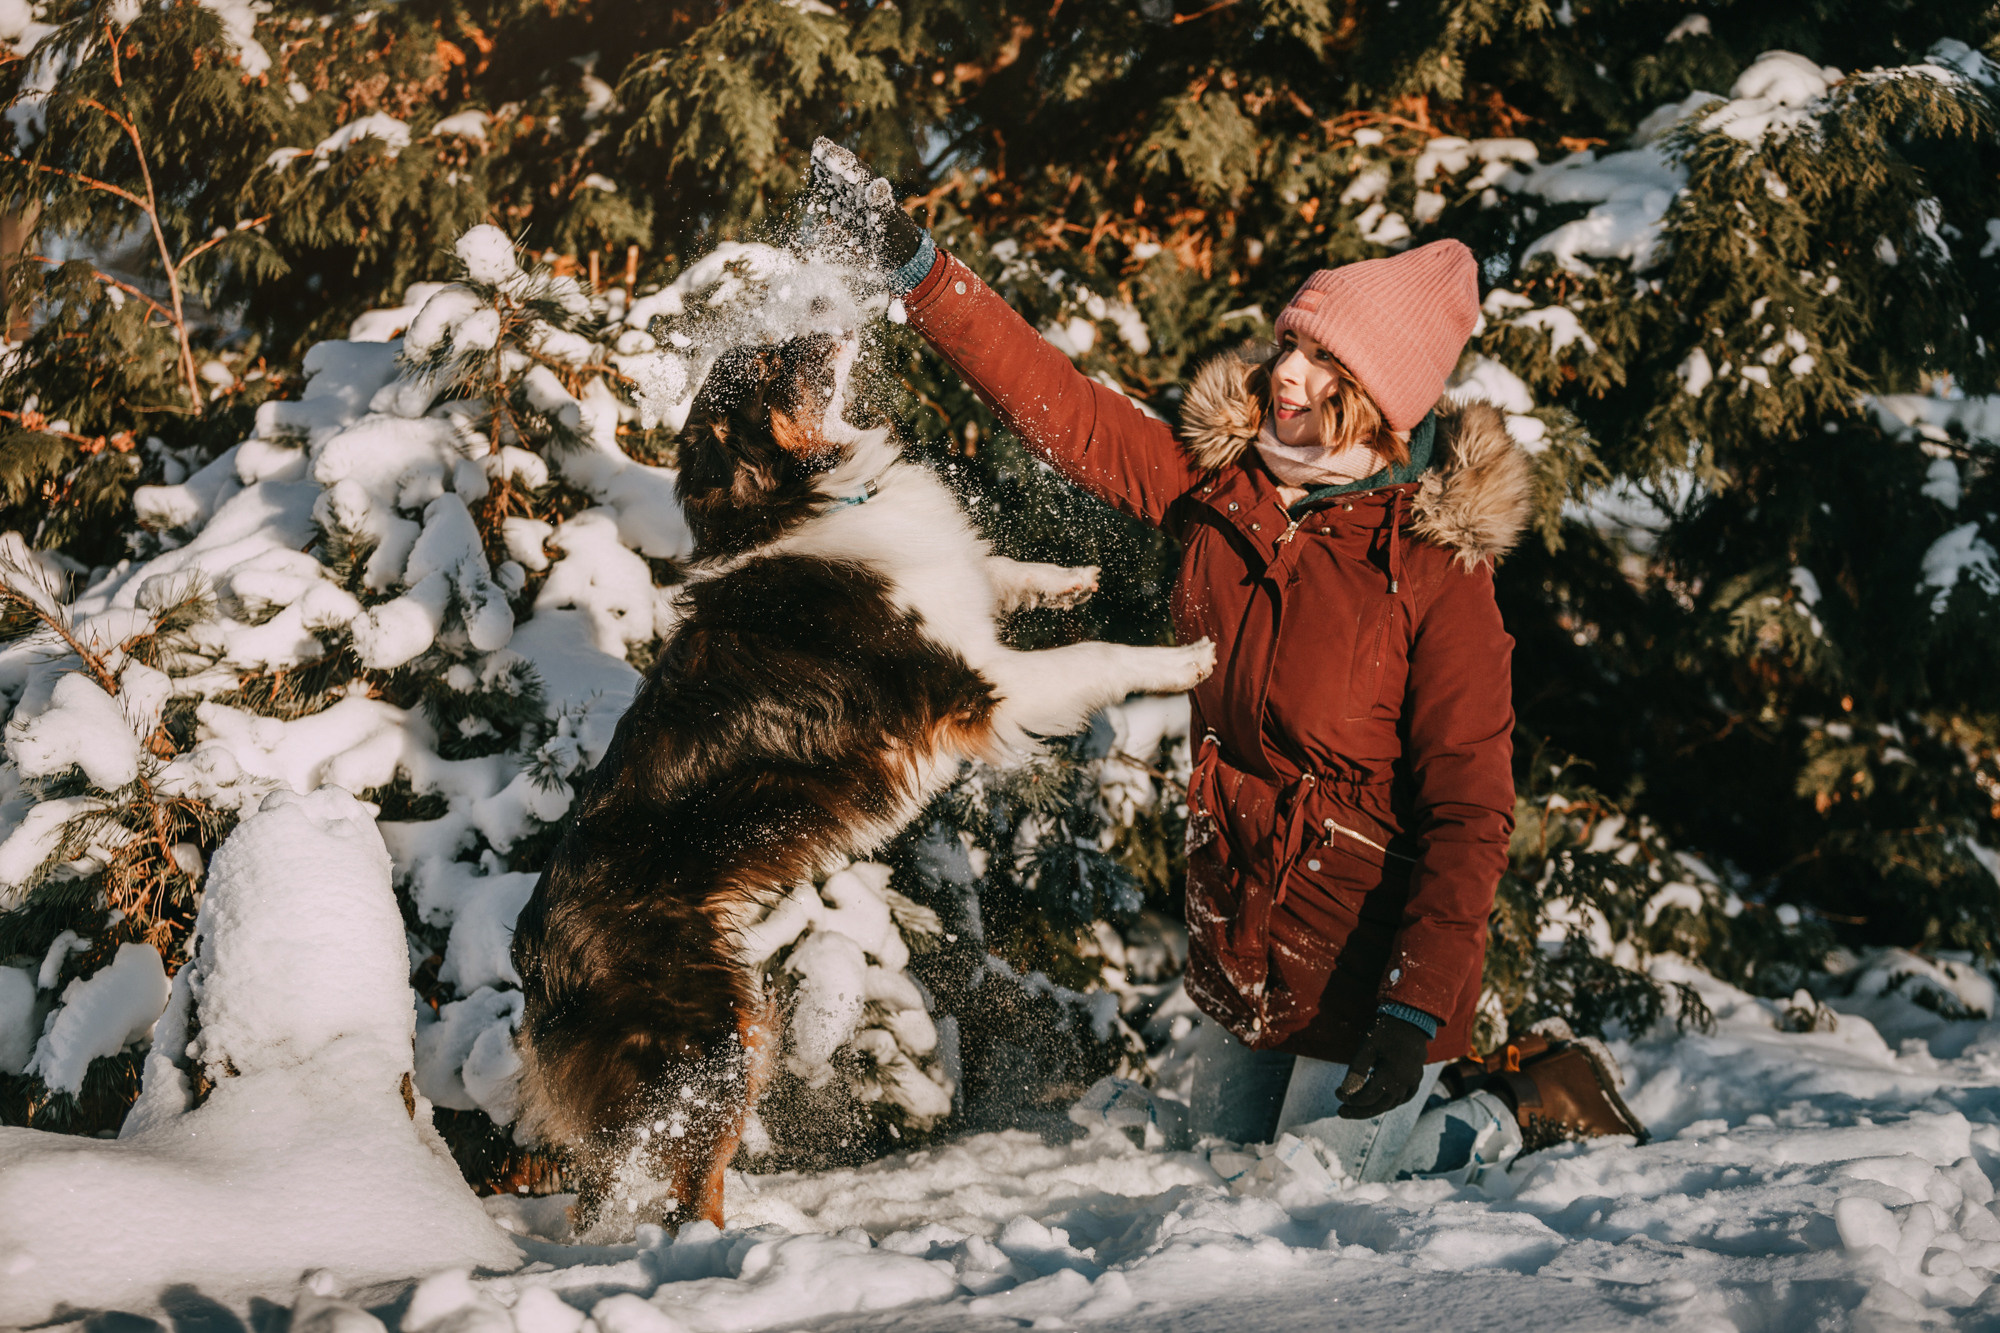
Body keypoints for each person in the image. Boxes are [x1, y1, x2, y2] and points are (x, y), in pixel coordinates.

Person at [804, 142, 1647, 1181]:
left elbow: (1469, 814)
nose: (1283, 370)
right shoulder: (1226, 494)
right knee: (1216, 1173)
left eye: (1321, 362)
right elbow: (1064, 410)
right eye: (1288, 342)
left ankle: (1515, 1104)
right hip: (1247, 931)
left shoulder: (1434, 574)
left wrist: (1412, 1008)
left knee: (1305, 1190)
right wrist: (916, 269)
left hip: (1369, 965)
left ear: (1379, 398)